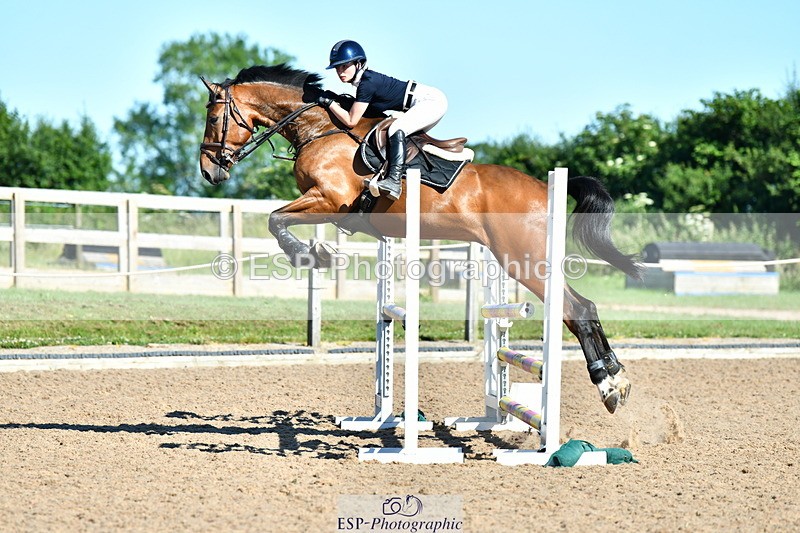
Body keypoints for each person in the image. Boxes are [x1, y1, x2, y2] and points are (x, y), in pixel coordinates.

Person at [318, 40, 448, 201]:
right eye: (337, 67)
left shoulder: (367, 84)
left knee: (396, 130)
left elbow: (351, 121)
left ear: (359, 63)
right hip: (423, 102)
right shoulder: (364, 82)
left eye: (344, 66)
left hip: (431, 102)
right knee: (398, 137)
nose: (340, 71)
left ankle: (394, 181)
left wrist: (330, 103)